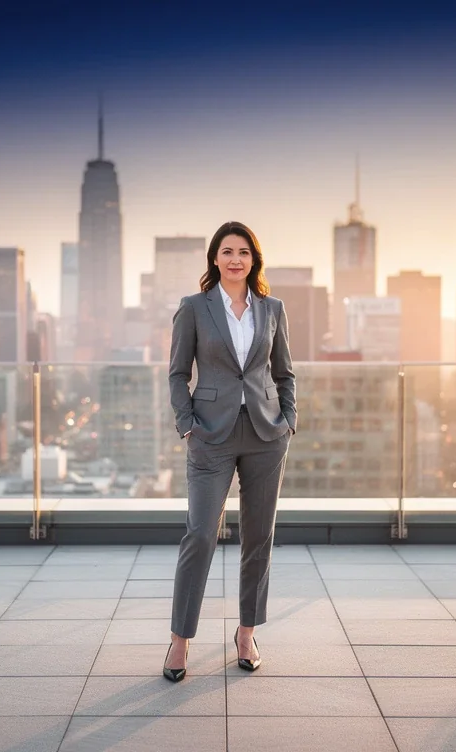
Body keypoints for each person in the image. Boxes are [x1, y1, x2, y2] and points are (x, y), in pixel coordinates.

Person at [162, 220, 297, 682]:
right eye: (226, 251)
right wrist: (186, 424)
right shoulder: (194, 308)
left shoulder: (272, 308)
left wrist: (289, 419)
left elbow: (285, 373)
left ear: (253, 259)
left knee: (258, 538)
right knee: (200, 534)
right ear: (214, 259)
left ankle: (246, 633)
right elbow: (178, 373)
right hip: (210, 436)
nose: (235, 259)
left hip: (265, 435)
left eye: (243, 251)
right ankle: (180, 640)